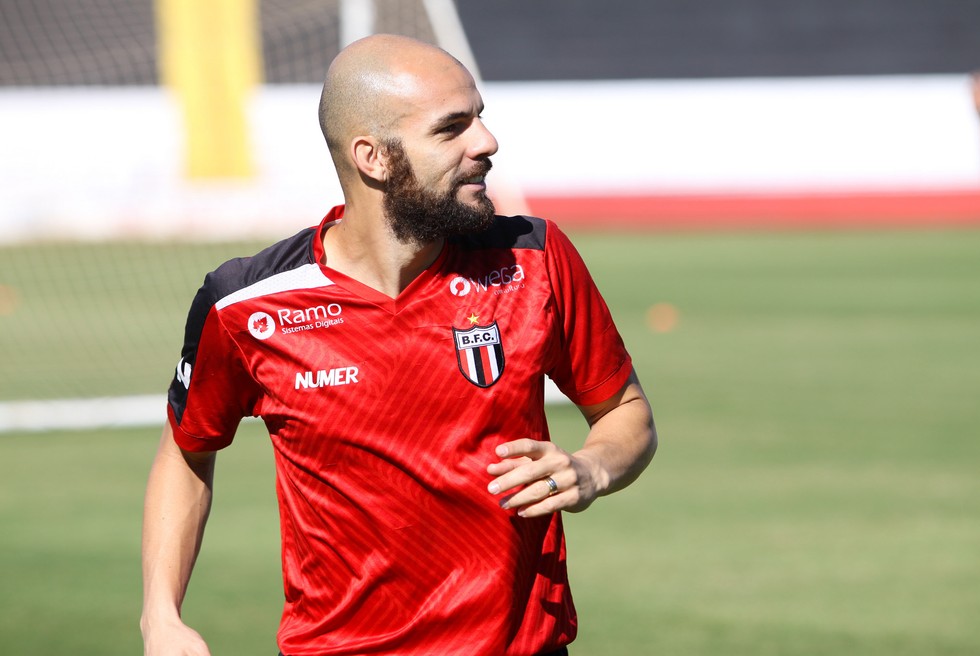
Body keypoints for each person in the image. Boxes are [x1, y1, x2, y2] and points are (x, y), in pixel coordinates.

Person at [140, 33, 657, 656]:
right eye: (452, 128)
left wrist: (591, 466)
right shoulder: (246, 305)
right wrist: (160, 616)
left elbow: (625, 412)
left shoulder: (536, 259)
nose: (486, 143)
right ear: (374, 158)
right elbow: (187, 449)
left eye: (481, 118)